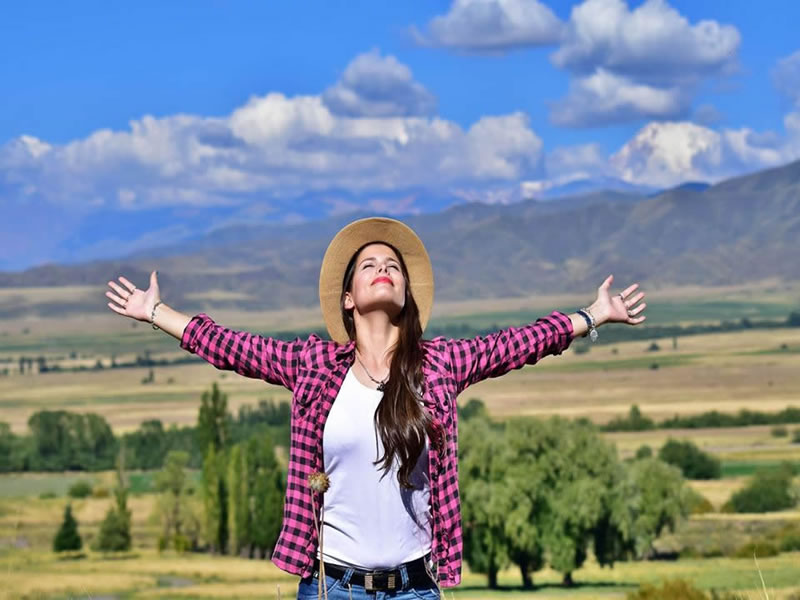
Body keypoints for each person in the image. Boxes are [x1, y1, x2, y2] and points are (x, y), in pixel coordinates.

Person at [105, 216, 646, 599]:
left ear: (407, 292)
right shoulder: (313, 366)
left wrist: (592, 315)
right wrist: (156, 311)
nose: (383, 267)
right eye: (369, 264)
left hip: (415, 589)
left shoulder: (440, 365)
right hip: (331, 587)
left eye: (393, 264)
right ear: (348, 297)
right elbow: (232, 347)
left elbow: (518, 343)